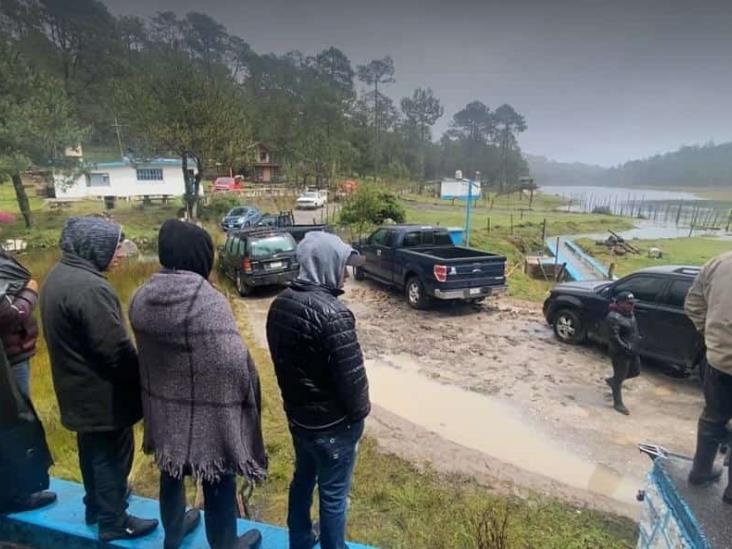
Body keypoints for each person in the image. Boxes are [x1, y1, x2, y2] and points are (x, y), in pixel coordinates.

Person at [129, 220, 267, 549]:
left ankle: (174, 535)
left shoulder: (143, 295)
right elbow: (233, 360)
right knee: (218, 476)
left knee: (171, 470)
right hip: (208, 414)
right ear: (199, 255)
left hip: (164, 408)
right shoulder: (207, 299)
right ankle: (225, 544)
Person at [40, 217, 158, 540]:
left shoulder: (58, 276)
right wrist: (143, 378)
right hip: (102, 395)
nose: (120, 253)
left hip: (75, 390)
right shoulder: (91, 288)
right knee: (112, 458)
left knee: (91, 452)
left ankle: (96, 507)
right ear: (95, 247)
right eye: (115, 246)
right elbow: (115, 349)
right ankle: (114, 522)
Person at [266, 231, 370, 549]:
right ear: (325, 264)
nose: (346, 275)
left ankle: (299, 540)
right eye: (342, 265)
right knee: (334, 497)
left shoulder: (279, 304)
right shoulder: (334, 314)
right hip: (333, 429)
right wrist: (359, 417)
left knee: (302, 481)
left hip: (299, 421)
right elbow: (353, 380)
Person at [0, 248, 55, 512]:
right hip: (9, 358)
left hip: (13, 352)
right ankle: (15, 495)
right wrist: (31, 289)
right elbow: (9, 314)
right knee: (14, 425)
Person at [685, 251, 732, 503]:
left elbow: (692, 304)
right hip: (719, 358)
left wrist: (711, 335)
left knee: (713, 418)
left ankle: (700, 472)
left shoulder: (719, 263)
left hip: (719, 361)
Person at [605, 291, 641, 415]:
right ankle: (618, 403)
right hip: (620, 353)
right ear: (620, 303)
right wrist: (625, 347)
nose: (632, 306)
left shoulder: (629, 313)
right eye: (629, 303)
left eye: (632, 303)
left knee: (636, 371)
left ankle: (613, 381)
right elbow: (614, 337)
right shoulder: (613, 317)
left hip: (633, 349)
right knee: (620, 376)